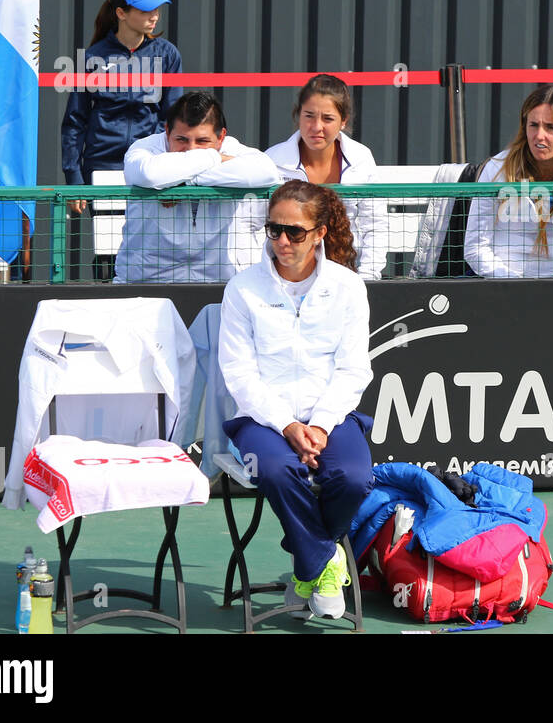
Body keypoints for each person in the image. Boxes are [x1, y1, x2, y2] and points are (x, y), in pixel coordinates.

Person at [218, 179, 373, 620]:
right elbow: (239, 375)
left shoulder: (348, 286)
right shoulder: (242, 289)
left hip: (331, 418)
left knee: (356, 478)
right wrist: (287, 425)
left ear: (321, 232)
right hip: (262, 422)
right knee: (275, 469)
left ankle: (307, 565)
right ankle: (324, 561)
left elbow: (352, 370)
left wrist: (320, 425)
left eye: (295, 232)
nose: (282, 241)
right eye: (274, 230)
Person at [115, 91, 280, 283]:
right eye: (182, 140)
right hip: (146, 282)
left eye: (202, 141)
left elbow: (267, 172)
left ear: (221, 138)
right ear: (167, 131)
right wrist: (213, 158)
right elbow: (149, 175)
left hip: (224, 284)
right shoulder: (144, 148)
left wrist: (180, 180)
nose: (191, 150)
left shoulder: (234, 149)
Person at [61, 0, 183, 202]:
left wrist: (173, 173)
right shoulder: (92, 57)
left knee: (149, 238)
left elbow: (174, 119)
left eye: (156, 9)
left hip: (151, 165)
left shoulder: (168, 54)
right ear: (121, 14)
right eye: (146, 10)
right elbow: (75, 121)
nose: (154, 16)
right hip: (101, 166)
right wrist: (74, 178)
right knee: (108, 238)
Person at [464, 85, 553, 278]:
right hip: (500, 283)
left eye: (551, 127)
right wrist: (513, 283)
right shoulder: (497, 168)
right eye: (534, 125)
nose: (540, 136)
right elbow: (475, 247)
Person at [266, 74, 387, 280]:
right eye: (309, 115)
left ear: (343, 121)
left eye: (328, 118)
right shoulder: (272, 160)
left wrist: (366, 279)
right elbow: (258, 227)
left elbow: (374, 225)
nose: (316, 127)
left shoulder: (361, 157)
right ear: (298, 115)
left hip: (348, 272)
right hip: (285, 274)